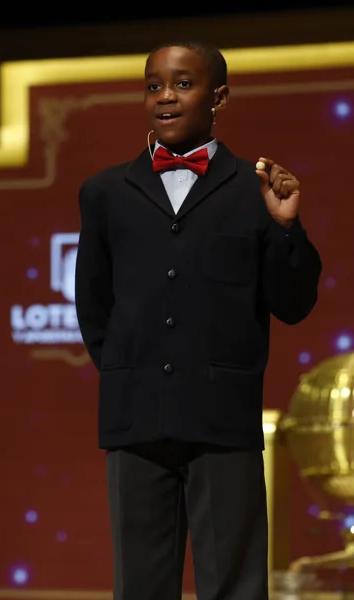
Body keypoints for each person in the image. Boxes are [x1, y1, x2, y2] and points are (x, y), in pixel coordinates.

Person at [74, 41, 322, 600]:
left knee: (234, 586)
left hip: (222, 422)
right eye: (154, 85)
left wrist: (286, 228)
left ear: (220, 97)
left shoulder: (254, 190)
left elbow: (294, 303)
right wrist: (127, 373)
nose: (165, 96)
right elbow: (93, 304)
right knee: (140, 586)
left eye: (183, 84)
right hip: (135, 423)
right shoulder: (105, 192)